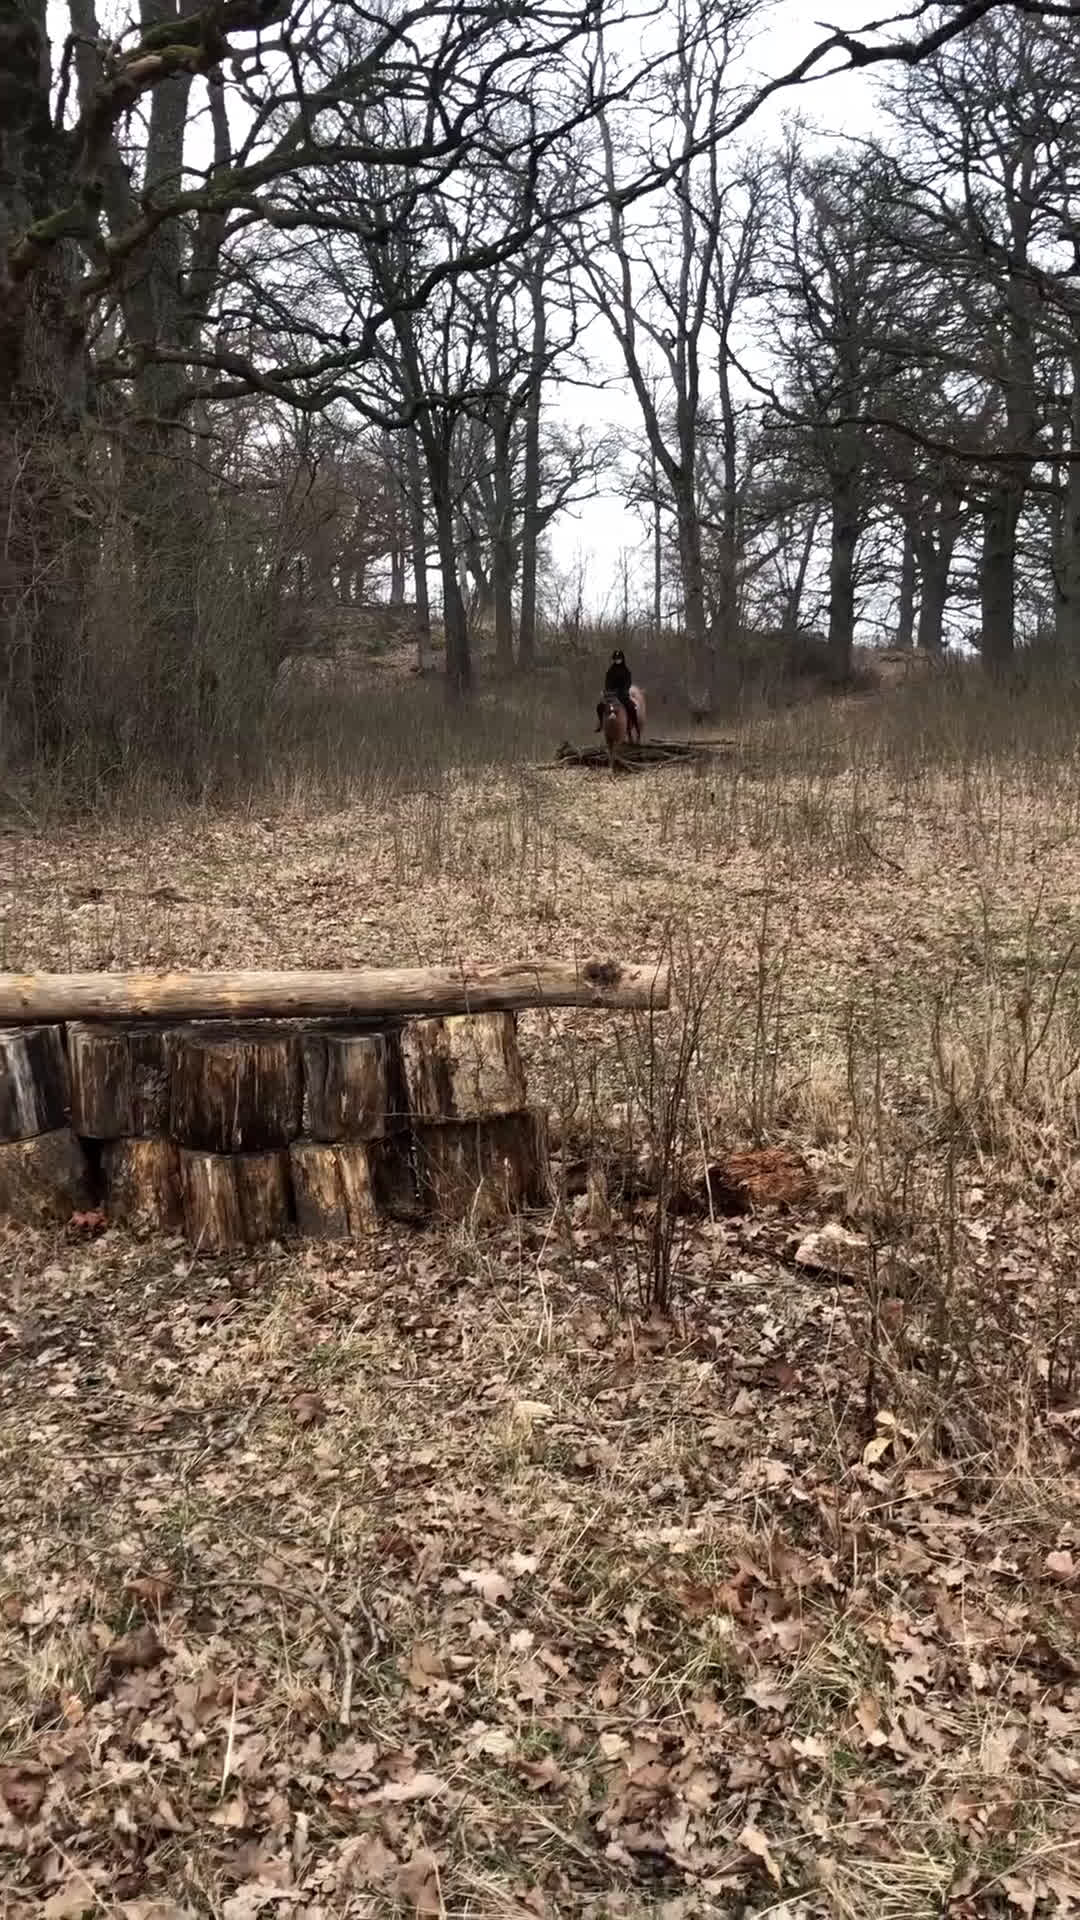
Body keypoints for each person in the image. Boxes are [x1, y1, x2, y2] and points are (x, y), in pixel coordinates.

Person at [595, 649, 639, 741]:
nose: (617, 660)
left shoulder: (626, 671)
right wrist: (608, 690)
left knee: (631, 707)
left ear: (622, 659)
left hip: (623, 694)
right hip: (612, 694)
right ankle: (601, 724)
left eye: (619, 658)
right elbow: (607, 682)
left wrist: (624, 690)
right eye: (616, 659)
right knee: (599, 706)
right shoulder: (610, 671)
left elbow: (628, 682)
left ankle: (635, 725)